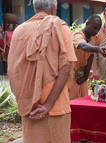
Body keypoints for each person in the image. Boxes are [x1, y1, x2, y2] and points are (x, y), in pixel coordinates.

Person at [8, 0, 77, 142]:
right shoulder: (61, 28)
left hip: (29, 107)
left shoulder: (19, 31)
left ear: (35, 8)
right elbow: (65, 68)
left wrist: (25, 97)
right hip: (55, 107)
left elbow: (13, 70)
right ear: (53, 8)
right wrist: (47, 105)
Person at [69, 15, 106, 100]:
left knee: (84, 99)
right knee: (72, 100)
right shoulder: (77, 35)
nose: (96, 31)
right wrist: (99, 49)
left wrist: (86, 73)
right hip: (70, 71)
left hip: (82, 72)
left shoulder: (95, 37)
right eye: (94, 28)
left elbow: (91, 54)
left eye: (98, 29)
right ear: (87, 24)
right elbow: (83, 46)